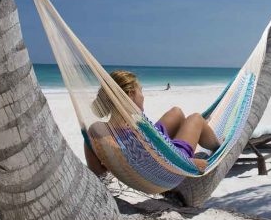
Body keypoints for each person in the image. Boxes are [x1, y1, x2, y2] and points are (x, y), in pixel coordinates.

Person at [84, 70, 220, 175]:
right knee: (196, 118)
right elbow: (162, 164)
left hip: (155, 144)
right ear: (131, 94)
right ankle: (217, 145)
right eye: (140, 91)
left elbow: (97, 171)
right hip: (172, 158)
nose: (143, 96)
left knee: (176, 112)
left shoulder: (96, 131)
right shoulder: (137, 136)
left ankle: (194, 128)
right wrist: (198, 163)